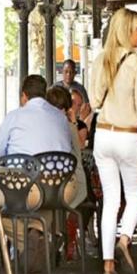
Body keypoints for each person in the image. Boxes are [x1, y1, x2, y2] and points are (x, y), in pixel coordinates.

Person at [0, 75, 75, 269]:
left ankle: (28, 242)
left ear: (23, 97)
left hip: (26, 188)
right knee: (42, 210)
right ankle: (39, 237)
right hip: (60, 189)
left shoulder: (15, 116)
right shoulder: (60, 117)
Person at [89, 8, 137, 274]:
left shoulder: (100, 59)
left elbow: (93, 102)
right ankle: (124, 238)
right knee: (135, 195)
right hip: (127, 136)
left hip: (102, 136)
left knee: (110, 200)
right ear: (128, 30)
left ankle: (107, 266)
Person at [45, 86, 88, 261]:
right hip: (68, 182)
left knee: (49, 201)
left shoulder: (61, 126)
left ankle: (53, 236)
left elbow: (76, 151)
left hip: (69, 183)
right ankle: (55, 236)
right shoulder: (66, 125)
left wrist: (73, 124)